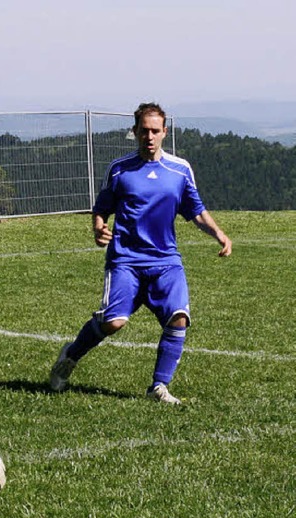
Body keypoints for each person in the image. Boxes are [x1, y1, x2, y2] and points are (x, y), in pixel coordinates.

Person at [50, 102, 232, 404]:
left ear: (165, 132)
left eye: (155, 131)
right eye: (144, 130)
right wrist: (99, 228)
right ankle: (70, 356)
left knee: (179, 317)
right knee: (113, 323)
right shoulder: (120, 169)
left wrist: (219, 234)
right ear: (135, 132)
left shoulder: (180, 169)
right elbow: (102, 208)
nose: (149, 136)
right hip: (126, 261)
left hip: (165, 261)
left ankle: (158, 387)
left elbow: (195, 211)